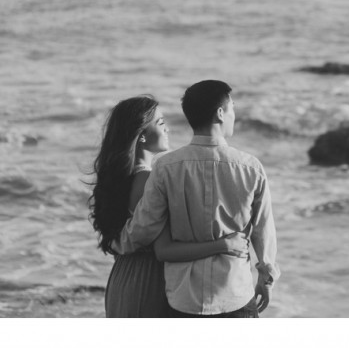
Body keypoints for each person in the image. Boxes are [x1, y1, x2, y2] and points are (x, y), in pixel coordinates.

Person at [117, 80, 280, 317]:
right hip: (234, 294)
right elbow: (263, 230)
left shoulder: (166, 167)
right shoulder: (250, 167)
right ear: (221, 113)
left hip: (183, 299)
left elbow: (145, 226)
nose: (235, 115)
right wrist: (266, 280)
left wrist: (116, 241)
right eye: (232, 108)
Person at [88, 95, 250, 317]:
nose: (168, 129)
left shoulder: (120, 180)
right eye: (161, 123)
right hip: (149, 282)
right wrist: (224, 245)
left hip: (122, 277)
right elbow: (165, 250)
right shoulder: (147, 181)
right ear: (141, 135)